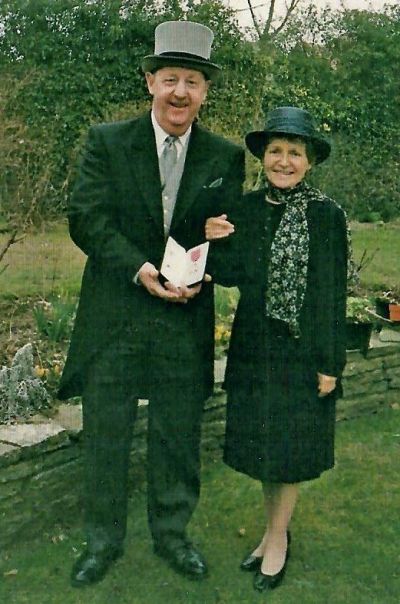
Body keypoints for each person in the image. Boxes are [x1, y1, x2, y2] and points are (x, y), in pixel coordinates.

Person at [58, 20, 244, 587]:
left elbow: (226, 240)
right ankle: (102, 541)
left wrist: (215, 247)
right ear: (150, 82)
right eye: (170, 79)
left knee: (176, 435)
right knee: (107, 435)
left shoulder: (224, 156)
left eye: (192, 80)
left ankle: (171, 535)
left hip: (183, 318)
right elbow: (87, 218)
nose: (180, 92)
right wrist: (140, 269)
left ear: (206, 90)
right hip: (115, 316)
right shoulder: (107, 142)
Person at [206, 106, 348, 593]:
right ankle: (272, 533)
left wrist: (332, 363)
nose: (283, 161)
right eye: (275, 151)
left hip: (303, 351)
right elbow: (230, 274)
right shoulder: (246, 209)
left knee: (290, 451)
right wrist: (211, 239)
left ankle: (277, 539)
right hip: (255, 348)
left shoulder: (327, 215)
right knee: (267, 450)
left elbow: (332, 294)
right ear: (263, 157)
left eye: (294, 152)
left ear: (309, 161)